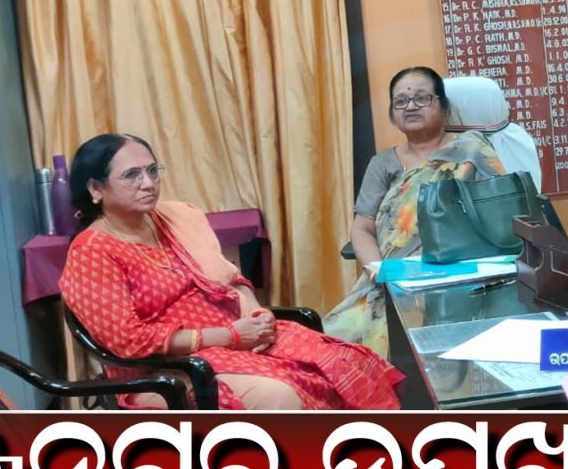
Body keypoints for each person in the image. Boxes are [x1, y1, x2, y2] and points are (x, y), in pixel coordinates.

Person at [59, 133, 402, 410]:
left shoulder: (174, 218)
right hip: (168, 368)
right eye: (131, 175)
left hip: (235, 333)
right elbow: (130, 342)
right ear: (95, 189)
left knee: (345, 360)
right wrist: (230, 336)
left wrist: (256, 314)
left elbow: (227, 278)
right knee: (281, 394)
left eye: (152, 170)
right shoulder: (92, 252)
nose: (148, 183)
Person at [324, 66, 505, 355]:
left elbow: (502, 213)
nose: (410, 106)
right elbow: (362, 228)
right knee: (333, 346)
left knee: (409, 352)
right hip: (392, 284)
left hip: (459, 283)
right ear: (392, 113)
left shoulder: (472, 151)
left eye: (422, 98)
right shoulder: (382, 164)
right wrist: (381, 274)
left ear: (444, 107)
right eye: (401, 101)